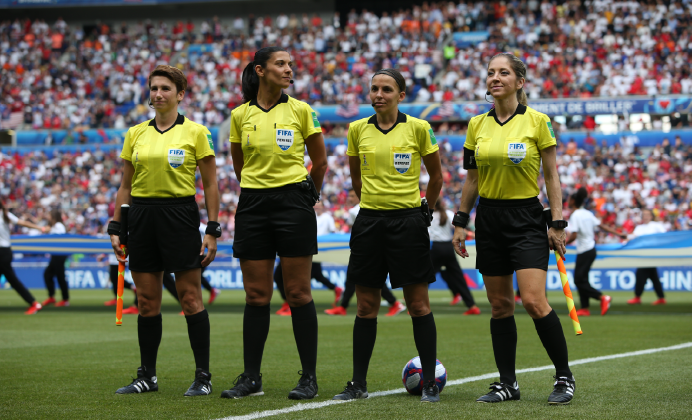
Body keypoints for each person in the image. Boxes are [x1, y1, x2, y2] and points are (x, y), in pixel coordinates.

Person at [453, 53, 575, 405]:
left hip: (526, 218)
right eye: (491, 72)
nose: (495, 77)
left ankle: (564, 377)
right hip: (489, 219)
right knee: (500, 306)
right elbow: (472, 179)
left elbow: (551, 176)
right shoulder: (476, 124)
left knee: (534, 301)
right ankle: (508, 384)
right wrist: (460, 221)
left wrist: (557, 223)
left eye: (503, 72)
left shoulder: (538, 121)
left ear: (519, 82)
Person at [221, 47, 327, 401]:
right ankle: (251, 378)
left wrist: (308, 197)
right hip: (253, 205)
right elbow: (239, 166)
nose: (288, 69)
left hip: (294, 203)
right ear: (260, 70)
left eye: (290, 64)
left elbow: (320, 162)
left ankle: (308, 378)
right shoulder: (240, 115)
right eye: (280, 64)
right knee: (256, 295)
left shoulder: (301, 110)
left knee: (298, 293)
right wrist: (259, 189)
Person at [332, 68, 443, 403]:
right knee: (366, 306)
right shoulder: (356, 129)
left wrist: (426, 210)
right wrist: (374, 205)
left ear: (401, 95)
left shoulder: (419, 128)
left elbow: (437, 176)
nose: (378, 95)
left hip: (408, 223)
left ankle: (429, 383)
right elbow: (356, 179)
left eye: (387, 89)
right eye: (374, 89)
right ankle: (358, 384)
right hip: (369, 223)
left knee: (418, 305)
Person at [110, 64, 220, 397]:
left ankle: (203, 376)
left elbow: (211, 184)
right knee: (146, 301)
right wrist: (116, 226)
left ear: (180, 94)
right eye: (154, 88)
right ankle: (147, 376)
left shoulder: (196, 132)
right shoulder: (135, 133)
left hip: (180, 216)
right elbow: (125, 186)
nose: (158, 94)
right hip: (142, 218)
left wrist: (212, 229)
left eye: (165, 88)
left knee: (190, 298)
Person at [325, 188, 406, 317]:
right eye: (349, 196)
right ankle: (343, 307)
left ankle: (394, 303)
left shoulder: (354, 211)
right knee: (360, 278)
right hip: (373, 248)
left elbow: (352, 229)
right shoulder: (374, 207)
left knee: (362, 278)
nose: (350, 198)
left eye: (352, 196)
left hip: (365, 250)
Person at [565, 187, 626, 317]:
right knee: (583, 279)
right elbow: (601, 226)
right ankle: (585, 308)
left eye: (569, 199)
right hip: (591, 250)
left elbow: (574, 235)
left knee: (578, 280)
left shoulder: (575, 215)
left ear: (573, 201)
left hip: (584, 251)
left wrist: (563, 244)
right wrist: (618, 234)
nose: (568, 201)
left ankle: (602, 297)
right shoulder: (587, 213)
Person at [275, 202, 343, 316]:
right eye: (315, 204)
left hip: (314, 248)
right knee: (315, 274)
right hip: (305, 247)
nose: (317, 206)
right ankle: (335, 289)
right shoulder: (308, 214)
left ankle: (291, 304)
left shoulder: (327, 217)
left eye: (319, 204)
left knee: (294, 276)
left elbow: (333, 232)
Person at [429, 200, 480, 315]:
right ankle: (472, 305)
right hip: (448, 247)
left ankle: (417, 304)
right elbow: (460, 228)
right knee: (459, 278)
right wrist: (471, 234)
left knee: (426, 278)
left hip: (435, 248)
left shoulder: (428, 215)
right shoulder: (448, 213)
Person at [0, 200, 47, 314]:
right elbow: (22, 223)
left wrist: (39, 228)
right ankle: (33, 303)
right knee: (13, 280)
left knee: (13, 280)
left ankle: (34, 303)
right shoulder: (4, 214)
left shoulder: (4, 214)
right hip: (6, 251)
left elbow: (22, 223)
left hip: (2, 253)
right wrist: (39, 228)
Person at [627, 209, 667, 305]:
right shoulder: (639, 228)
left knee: (641, 274)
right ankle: (661, 297)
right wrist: (625, 238)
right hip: (643, 255)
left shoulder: (657, 226)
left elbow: (665, 236)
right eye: (644, 215)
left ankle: (637, 297)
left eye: (647, 214)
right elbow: (633, 237)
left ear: (651, 216)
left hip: (652, 255)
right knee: (653, 276)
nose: (645, 216)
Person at [41, 209, 70, 307]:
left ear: (53, 216)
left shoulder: (58, 226)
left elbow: (60, 238)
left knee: (59, 276)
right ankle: (52, 297)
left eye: (49, 215)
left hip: (60, 254)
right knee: (48, 275)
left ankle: (65, 300)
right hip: (55, 254)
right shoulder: (54, 226)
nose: (47, 217)